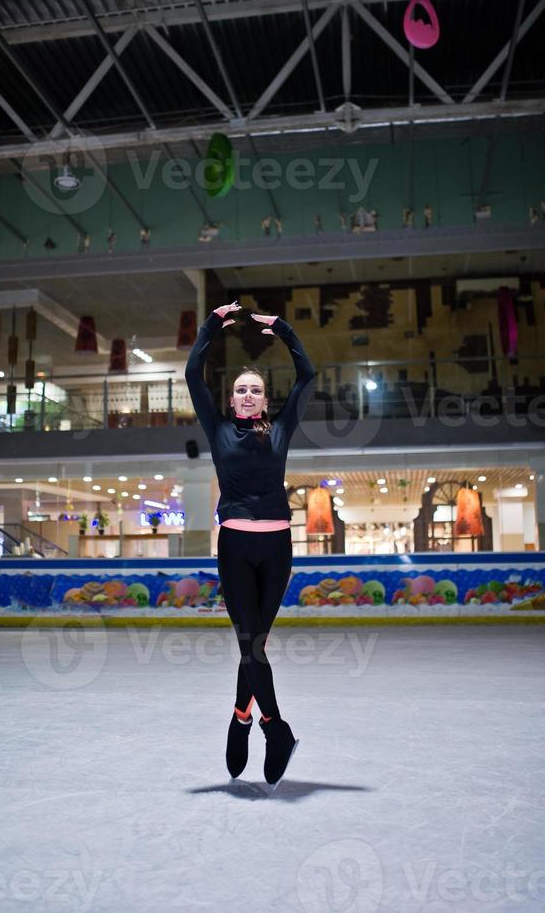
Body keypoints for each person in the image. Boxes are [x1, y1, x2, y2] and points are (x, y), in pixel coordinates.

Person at [185, 300, 316, 787]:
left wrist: (281, 328)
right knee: (251, 643)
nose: (245, 395)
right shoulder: (217, 429)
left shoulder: (280, 430)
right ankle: (273, 728)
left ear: (264, 399)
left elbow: (307, 374)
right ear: (232, 397)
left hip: (277, 550)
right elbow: (193, 374)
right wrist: (212, 325)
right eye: (240, 389)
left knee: (254, 645)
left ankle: (240, 718)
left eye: (254, 390)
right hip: (236, 549)